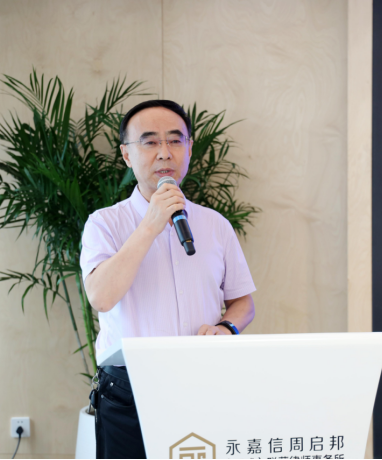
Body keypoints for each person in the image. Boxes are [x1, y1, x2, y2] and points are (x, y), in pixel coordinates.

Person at [80, 100, 256, 459]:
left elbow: (243, 302)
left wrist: (227, 328)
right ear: (126, 155)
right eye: (149, 142)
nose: (165, 152)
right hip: (129, 392)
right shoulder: (104, 223)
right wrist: (151, 224)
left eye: (176, 140)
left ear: (189, 149)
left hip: (204, 381)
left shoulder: (215, 225)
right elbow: (101, 297)